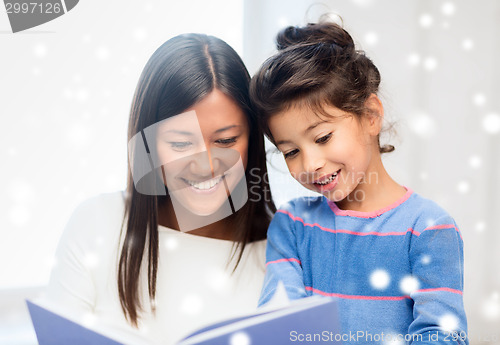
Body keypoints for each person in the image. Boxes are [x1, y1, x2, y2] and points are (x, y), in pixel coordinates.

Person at [45, 33, 275, 344]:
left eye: (225, 141)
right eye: (180, 143)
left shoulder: (282, 247)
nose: (206, 165)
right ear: (148, 144)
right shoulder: (96, 225)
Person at [250, 21, 468, 344]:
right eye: (291, 151)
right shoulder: (292, 227)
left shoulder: (428, 229)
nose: (310, 164)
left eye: (323, 137)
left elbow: (443, 336)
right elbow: (280, 325)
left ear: (370, 115)